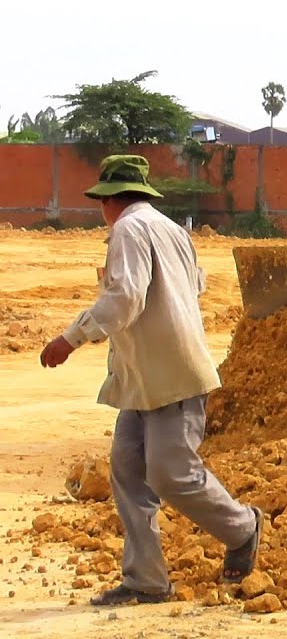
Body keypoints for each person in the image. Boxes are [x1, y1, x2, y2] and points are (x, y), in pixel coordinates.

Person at [39, 155, 263, 606]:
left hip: (171, 375)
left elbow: (124, 299)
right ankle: (146, 580)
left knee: (170, 473)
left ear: (109, 200)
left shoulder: (128, 230)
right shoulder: (172, 229)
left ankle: (243, 527)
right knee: (127, 470)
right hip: (143, 378)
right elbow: (194, 286)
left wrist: (70, 338)